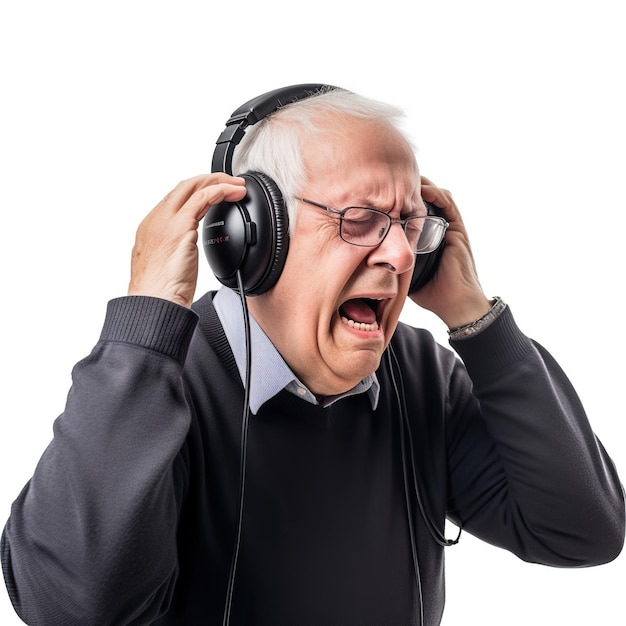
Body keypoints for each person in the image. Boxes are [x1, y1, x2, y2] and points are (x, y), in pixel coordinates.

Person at [1, 85, 624, 626]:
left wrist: (477, 321)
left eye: (410, 224)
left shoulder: (423, 375)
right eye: (360, 218)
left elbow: (583, 532)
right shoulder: (159, 379)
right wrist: (142, 328)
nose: (402, 256)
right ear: (250, 234)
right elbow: (72, 607)